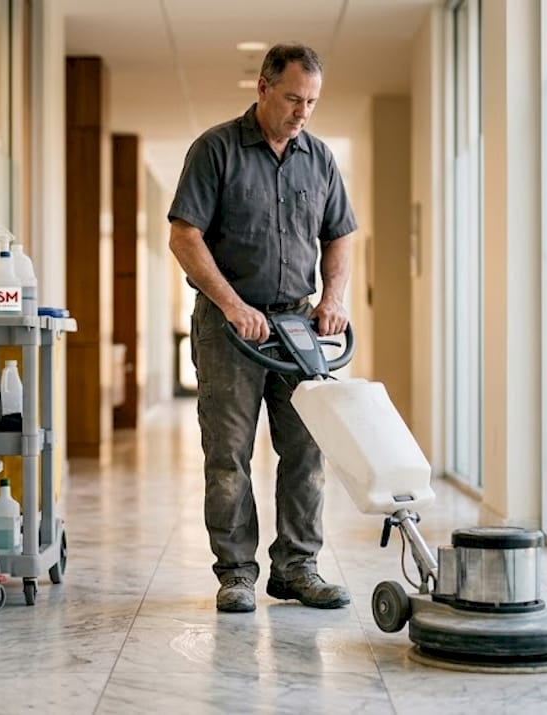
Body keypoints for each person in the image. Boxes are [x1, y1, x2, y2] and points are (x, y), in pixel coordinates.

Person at [167, 42, 357, 613]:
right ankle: (237, 574)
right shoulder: (216, 149)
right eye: (294, 98)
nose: (303, 112)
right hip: (229, 327)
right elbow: (184, 236)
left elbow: (340, 232)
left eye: (313, 102)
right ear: (263, 88)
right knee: (229, 453)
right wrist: (230, 304)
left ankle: (296, 567)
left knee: (307, 449)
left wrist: (335, 297)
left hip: (298, 326)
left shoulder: (318, 158)